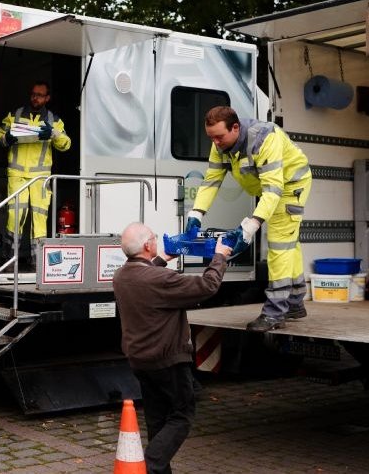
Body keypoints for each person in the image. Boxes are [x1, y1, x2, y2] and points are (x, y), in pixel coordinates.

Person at [113, 222, 231, 474]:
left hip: (140, 361)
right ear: (147, 245)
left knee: (157, 419)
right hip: (167, 360)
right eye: (154, 237)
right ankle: (148, 467)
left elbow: (145, 276)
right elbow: (208, 286)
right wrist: (220, 256)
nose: (156, 239)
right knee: (182, 414)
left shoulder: (121, 276)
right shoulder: (160, 279)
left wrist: (162, 259)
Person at [187, 106, 312, 332]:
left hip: (290, 186)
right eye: (211, 137)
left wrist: (251, 225)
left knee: (279, 245)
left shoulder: (265, 138)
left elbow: (274, 189)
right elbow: (212, 180)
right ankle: (295, 302)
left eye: (219, 137)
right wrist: (196, 213)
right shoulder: (221, 144)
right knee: (288, 243)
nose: (215, 143)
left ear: (235, 128)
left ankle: (275, 312)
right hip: (271, 189)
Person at [0, 81, 71, 263]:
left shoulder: (54, 120)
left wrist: (53, 134)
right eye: (33, 94)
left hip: (40, 177)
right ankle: (9, 261)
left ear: (47, 98)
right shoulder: (16, 114)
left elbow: (66, 144)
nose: (35, 97)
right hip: (17, 174)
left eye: (40, 95)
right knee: (15, 216)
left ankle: (38, 264)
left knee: (39, 219)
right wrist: (7, 138)